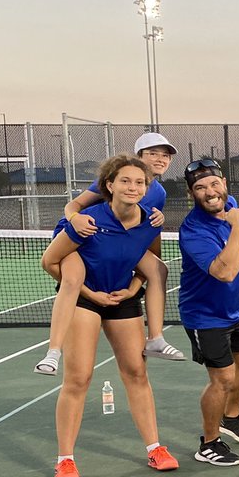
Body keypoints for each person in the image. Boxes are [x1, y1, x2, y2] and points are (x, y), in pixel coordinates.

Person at [40, 154, 179, 477]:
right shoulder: (87, 220)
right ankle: (65, 461)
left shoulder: (150, 222)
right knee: (79, 377)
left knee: (136, 371)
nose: (133, 187)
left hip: (121, 299)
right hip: (83, 299)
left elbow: (152, 264)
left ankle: (155, 448)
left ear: (147, 189)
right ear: (109, 185)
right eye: (126, 181)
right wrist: (91, 293)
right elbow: (49, 261)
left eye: (140, 182)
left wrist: (133, 287)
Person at [34, 132, 184, 375]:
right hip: (82, 238)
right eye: (153, 153)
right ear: (139, 157)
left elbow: (146, 226)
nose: (160, 159)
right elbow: (74, 206)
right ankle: (53, 353)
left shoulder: (159, 193)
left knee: (159, 269)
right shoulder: (119, 179)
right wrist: (76, 219)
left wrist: (135, 287)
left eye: (165, 156)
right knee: (72, 279)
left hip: (119, 240)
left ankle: (156, 338)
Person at [178, 158, 239, 466]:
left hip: (234, 309)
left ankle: (231, 417)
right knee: (222, 378)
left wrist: (234, 219)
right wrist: (238, 226)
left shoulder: (230, 204)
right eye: (200, 188)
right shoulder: (193, 231)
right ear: (191, 194)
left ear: (224, 183)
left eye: (214, 184)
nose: (210, 192)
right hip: (204, 314)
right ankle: (209, 443)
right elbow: (224, 272)